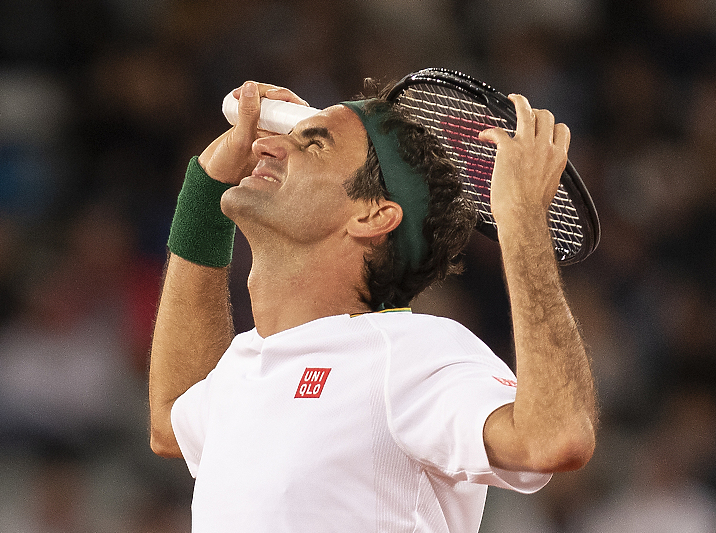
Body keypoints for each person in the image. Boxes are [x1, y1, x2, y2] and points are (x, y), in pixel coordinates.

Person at [148, 79, 597, 532]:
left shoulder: (409, 350)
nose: (267, 147)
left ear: (372, 216)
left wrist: (523, 220)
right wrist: (203, 193)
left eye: (314, 146)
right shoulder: (245, 361)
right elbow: (170, 424)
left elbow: (553, 439)